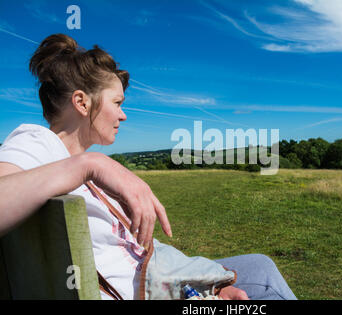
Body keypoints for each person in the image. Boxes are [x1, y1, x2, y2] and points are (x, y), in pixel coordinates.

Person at [0, 33, 297, 300]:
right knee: (263, 275)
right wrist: (91, 163)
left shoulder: (63, 166)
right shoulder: (38, 143)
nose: (124, 115)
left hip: (158, 285)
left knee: (259, 268)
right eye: (117, 103)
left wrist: (209, 288)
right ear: (81, 102)